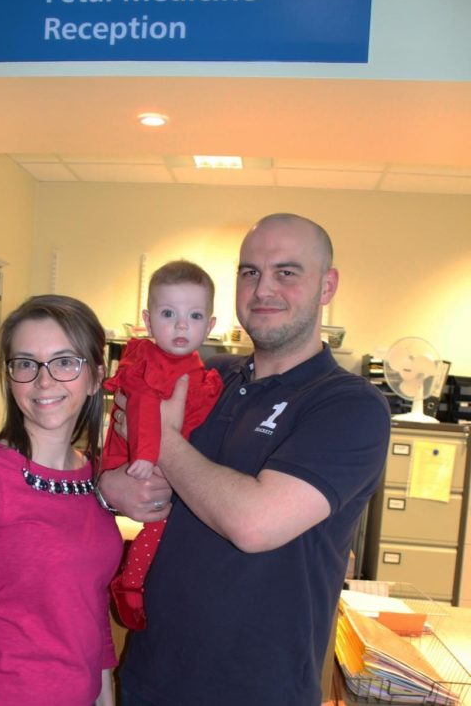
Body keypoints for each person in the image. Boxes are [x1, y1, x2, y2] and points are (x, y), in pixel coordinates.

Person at [98, 214, 391, 706]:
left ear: (327, 285)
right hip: (151, 675)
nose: (263, 288)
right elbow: (115, 447)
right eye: (249, 272)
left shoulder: (349, 406)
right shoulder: (207, 376)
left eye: (287, 272)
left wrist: (162, 441)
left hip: (256, 690)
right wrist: (110, 488)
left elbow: (255, 524)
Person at [0, 295, 122, 706]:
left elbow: (90, 607)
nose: (44, 381)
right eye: (26, 363)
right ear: (10, 376)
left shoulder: (95, 477)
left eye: (65, 361)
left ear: (95, 378)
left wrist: (105, 698)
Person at [101, 260, 223, 630]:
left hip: (160, 466)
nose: (182, 324)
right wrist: (146, 455)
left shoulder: (198, 371)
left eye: (195, 315)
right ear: (148, 320)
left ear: (211, 325)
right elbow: (140, 408)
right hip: (134, 459)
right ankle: (130, 583)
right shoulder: (148, 362)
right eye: (169, 313)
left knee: (165, 524)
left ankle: (136, 582)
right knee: (158, 522)